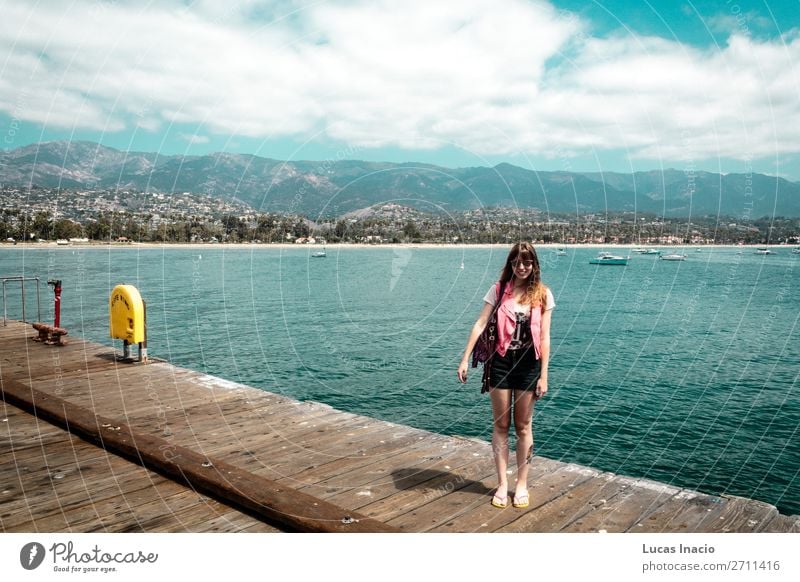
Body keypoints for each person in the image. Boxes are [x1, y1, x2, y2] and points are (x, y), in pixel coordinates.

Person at [457, 242, 555, 509]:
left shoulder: (543, 295)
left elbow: (545, 337)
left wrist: (544, 375)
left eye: (526, 262)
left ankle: (521, 484)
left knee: (523, 426)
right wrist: (465, 358)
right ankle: (502, 484)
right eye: (516, 262)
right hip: (499, 362)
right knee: (501, 426)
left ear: (534, 265)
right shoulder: (498, 290)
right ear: (510, 264)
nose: (521, 267)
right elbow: (479, 323)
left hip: (528, 364)